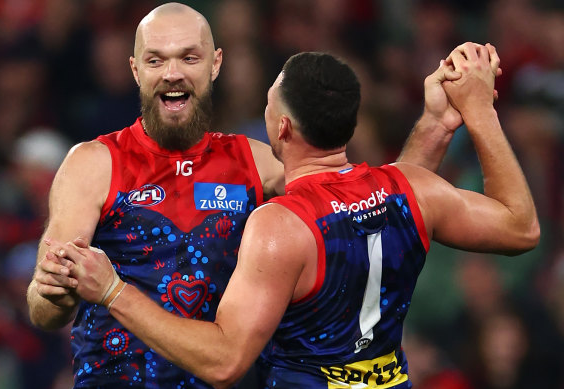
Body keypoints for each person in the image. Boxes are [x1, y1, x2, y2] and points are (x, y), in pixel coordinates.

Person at [27, 2, 489, 388]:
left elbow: (379, 206)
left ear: (216, 64)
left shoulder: (255, 161)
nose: (172, 73)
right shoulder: (92, 164)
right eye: (155, 60)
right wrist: (57, 293)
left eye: (189, 58)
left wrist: (434, 124)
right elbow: (44, 312)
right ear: (135, 70)